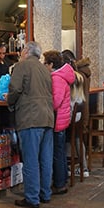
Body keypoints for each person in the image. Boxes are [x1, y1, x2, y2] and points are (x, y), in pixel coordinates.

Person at [6, 41, 55, 208]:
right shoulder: (44, 69)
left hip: (30, 117)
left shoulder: (22, 66)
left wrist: (9, 102)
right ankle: (45, 193)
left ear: (26, 51)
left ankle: (32, 198)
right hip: (47, 116)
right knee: (45, 158)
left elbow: (15, 89)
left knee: (31, 159)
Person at [43, 50, 75, 195]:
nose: (44, 65)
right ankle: (61, 181)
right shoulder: (62, 76)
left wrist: (44, 102)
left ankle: (60, 183)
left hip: (57, 120)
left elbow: (56, 102)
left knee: (57, 152)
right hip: (62, 119)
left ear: (51, 64)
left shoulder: (57, 78)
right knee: (60, 152)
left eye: (45, 63)